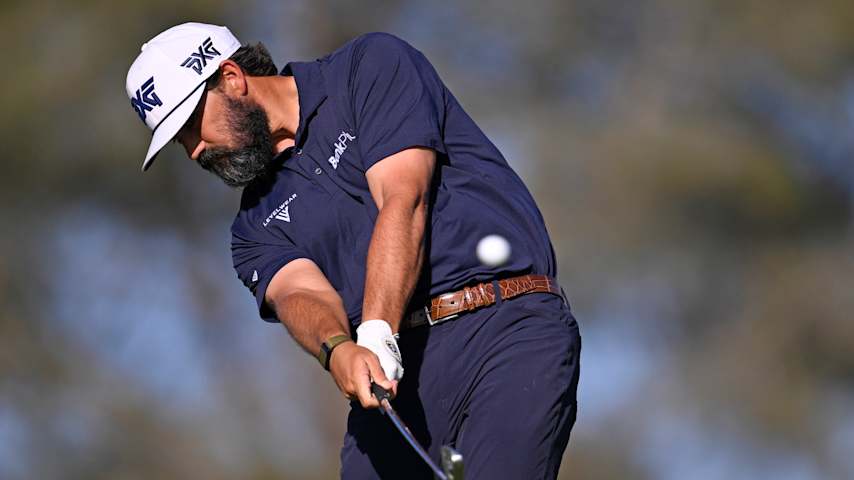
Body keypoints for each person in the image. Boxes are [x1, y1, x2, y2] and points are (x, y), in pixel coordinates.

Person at [126, 22, 581, 479]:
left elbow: (405, 199)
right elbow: (298, 293)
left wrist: (378, 328)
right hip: (395, 377)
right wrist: (338, 348)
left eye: (189, 126)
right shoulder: (251, 228)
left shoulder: (368, 68)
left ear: (232, 78)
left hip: (504, 325)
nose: (193, 151)